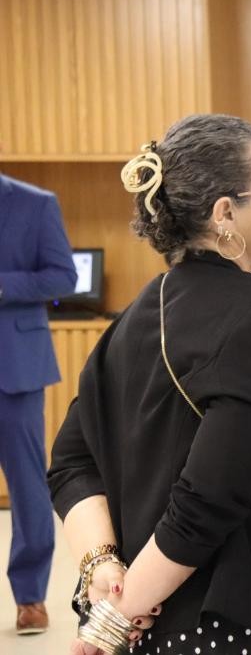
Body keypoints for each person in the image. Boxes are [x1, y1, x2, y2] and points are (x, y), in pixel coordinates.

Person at [47, 114, 251, 655]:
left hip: (155, 629)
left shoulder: (133, 317)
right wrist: (117, 614)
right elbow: (211, 496)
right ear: (225, 212)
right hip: (244, 619)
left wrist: (105, 568)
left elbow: (71, 462)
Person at [0, 170, 78, 634]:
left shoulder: (36, 203)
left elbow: (63, 276)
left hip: (15, 369)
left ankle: (30, 597)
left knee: (28, 486)